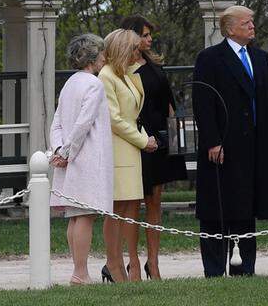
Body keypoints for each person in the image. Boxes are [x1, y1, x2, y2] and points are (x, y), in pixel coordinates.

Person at [191, 5, 268, 278]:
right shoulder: (210, 58)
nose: (252, 27)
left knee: (247, 206)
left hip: (255, 144)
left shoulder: (260, 57)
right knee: (218, 207)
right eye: (247, 23)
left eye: (252, 22)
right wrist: (212, 141)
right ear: (230, 28)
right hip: (223, 145)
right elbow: (203, 104)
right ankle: (215, 267)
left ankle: (245, 266)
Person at [120, 15, 187, 281]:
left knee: (155, 202)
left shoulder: (154, 64)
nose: (149, 40)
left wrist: (176, 137)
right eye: (144, 35)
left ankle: (154, 263)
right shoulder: (120, 68)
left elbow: (169, 103)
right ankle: (133, 263)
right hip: (134, 139)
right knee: (133, 203)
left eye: (150, 35)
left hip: (159, 139)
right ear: (131, 35)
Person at [49, 33, 112, 286]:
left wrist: (59, 149)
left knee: (75, 216)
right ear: (93, 57)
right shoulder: (94, 84)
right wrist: (66, 152)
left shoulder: (70, 83)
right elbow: (83, 123)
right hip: (86, 157)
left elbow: (57, 122)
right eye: (102, 54)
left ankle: (79, 271)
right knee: (84, 215)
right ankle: (80, 272)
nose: (105, 58)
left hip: (70, 156)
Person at [98, 28, 157, 283]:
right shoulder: (106, 76)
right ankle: (113, 264)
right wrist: (143, 141)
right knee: (115, 208)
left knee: (130, 207)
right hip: (118, 149)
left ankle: (128, 263)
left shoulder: (125, 74)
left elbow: (134, 111)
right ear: (123, 49)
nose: (139, 51)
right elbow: (114, 119)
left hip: (131, 150)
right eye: (134, 48)